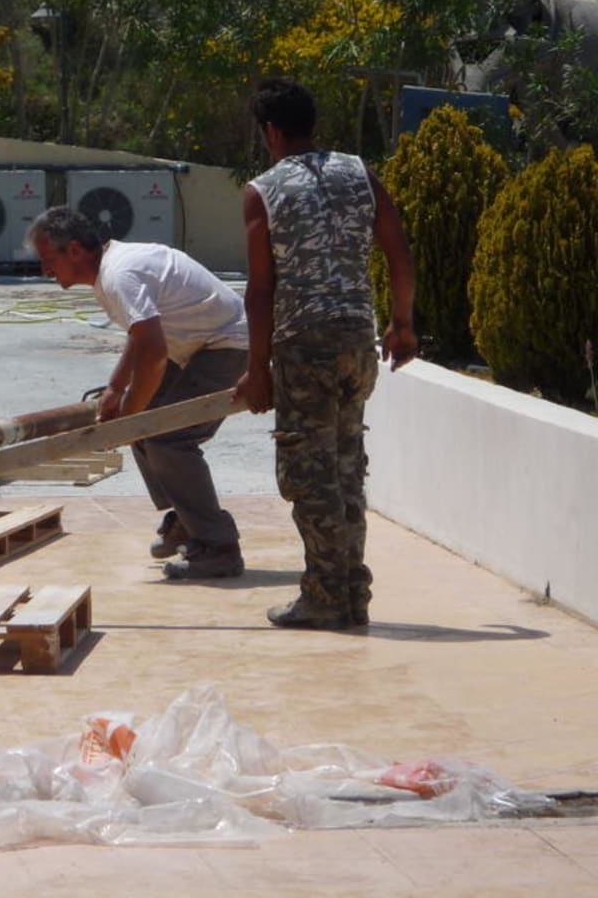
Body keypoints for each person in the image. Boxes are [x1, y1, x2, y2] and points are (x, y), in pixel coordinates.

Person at [237, 78, 418, 630]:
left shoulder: (263, 191)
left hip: (304, 348)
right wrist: (402, 324)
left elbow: (261, 289)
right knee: (346, 471)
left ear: (271, 132)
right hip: (357, 343)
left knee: (310, 478)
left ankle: (323, 598)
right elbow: (398, 252)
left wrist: (256, 370)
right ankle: (352, 596)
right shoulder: (360, 173)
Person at [27, 206, 250, 579]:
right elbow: (142, 335)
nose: (44, 270)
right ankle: (189, 521)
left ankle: (219, 547)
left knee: (166, 438)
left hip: (228, 344)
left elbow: (153, 351)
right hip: (197, 345)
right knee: (145, 425)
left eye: (48, 259)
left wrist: (129, 416)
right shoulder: (112, 271)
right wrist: (117, 389)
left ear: (75, 250)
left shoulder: (119, 275)